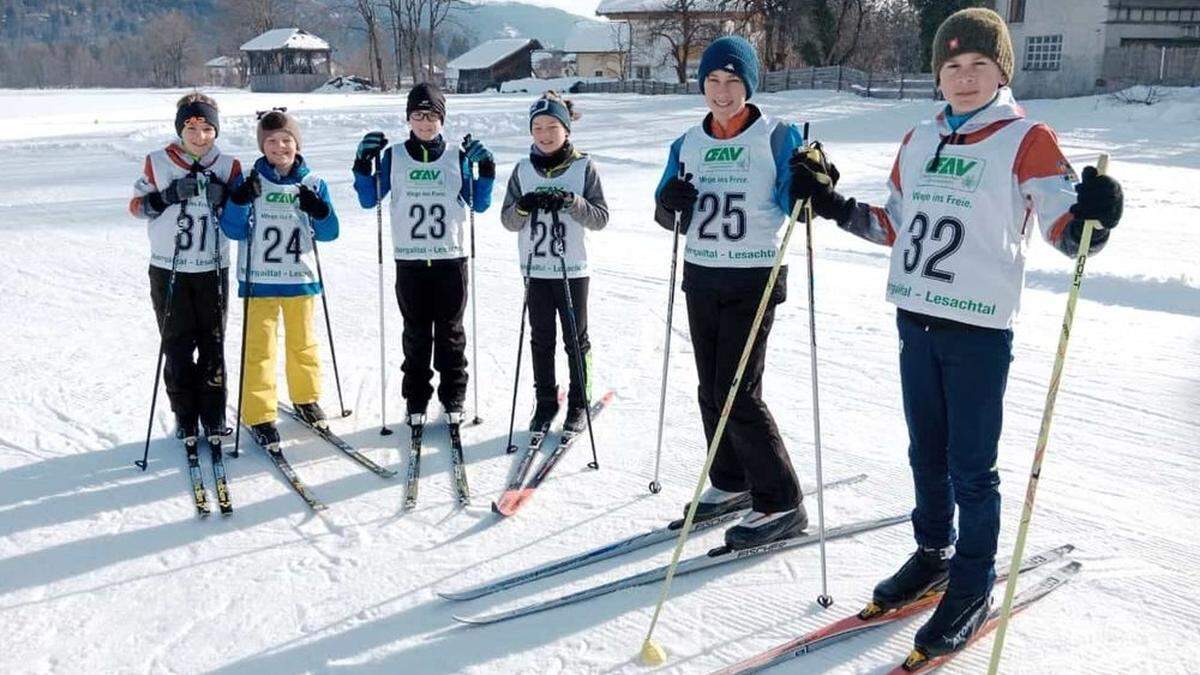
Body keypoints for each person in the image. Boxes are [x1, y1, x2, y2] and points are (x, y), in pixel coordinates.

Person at [788, 8, 1123, 660]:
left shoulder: (1028, 138)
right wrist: (831, 204)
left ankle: (972, 581)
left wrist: (1094, 220)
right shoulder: (918, 138)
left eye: (979, 65)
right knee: (926, 453)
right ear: (937, 72)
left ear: (1002, 70)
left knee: (972, 468)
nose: (965, 77)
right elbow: (894, 226)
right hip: (916, 317)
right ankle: (932, 553)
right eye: (952, 65)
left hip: (977, 328)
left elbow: (1065, 230)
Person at [652, 35, 809, 550]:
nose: (722, 92)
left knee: (738, 390)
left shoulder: (775, 135)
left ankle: (781, 500)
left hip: (753, 275)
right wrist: (671, 203)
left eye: (732, 82)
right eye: (713, 82)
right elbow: (665, 211)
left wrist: (812, 183)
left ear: (749, 85)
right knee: (709, 387)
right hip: (702, 274)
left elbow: (797, 205)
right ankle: (732, 479)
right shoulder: (687, 142)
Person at [352, 83, 495, 426]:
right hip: (411, 260)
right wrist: (361, 164)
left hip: (450, 259)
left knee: (450, 333)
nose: (425, 123)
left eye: (432, 116)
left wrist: (486, 170)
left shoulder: (455, 156)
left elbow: (480, 202)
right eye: (418, 115)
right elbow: (369, 198)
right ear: (408, 119)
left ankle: (453, 396)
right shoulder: (394, 156)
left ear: (442, 119)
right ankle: (415, 398)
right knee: (415, 334)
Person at [219, 109, 341, 447]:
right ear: (262, 146)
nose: (279, 147)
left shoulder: (313, 182)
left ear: (296, 143)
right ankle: (259, 413)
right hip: (260, 280)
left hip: (300, 279)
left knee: (302, 344)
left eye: (286, 140)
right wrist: (240, 201)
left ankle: (306, 399)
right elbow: (233, 229)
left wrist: (320, 210)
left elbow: (330, 233)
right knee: (260, 349)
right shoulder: (248, 179)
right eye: (271, 141)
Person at [130, 92, 240, 441]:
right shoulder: (158, 161)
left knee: (213, 342)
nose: (199, 135)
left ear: (216, 131)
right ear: (180, 129)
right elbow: (136, 206)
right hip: (168, 267)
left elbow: (241, 214)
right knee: (177, 343)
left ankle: (213, 413)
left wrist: (227, 197)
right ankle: (185, 414)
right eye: (191, 127)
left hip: (212, 267)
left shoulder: (228, 165)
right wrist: (165, 197)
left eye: (207, 128)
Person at [500, 91, 609, 433]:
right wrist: (523, 206)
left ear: (566, 129)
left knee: (575, 339)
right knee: (541, 338)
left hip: (573, 268)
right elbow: (507, 220)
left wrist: (571, 202)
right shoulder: (522, 170)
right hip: (535, 268)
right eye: (537, 128)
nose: (545, 134)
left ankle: (579, 402)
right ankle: (546, 401)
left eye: (551, 126)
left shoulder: (583, 167)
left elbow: (600, 217)